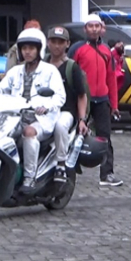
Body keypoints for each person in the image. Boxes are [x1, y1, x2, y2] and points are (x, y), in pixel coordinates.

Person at [0, 28, 66, 192]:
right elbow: (0, 89)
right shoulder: (15, 72)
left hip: (41, 120)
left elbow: (60, 97)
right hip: (15, 118)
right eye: (24, 48)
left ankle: (29, 178)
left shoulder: (50, 71)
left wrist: (46, 106)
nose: (27, 52)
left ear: (39, 50)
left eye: (31, 48)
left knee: (29, 132)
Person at [72, 14, 122, 186]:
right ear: (85, 29)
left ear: (101, 28)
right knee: (74, 134)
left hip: (102, 100)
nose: (94, 29)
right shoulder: (77, 50)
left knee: (105, 137)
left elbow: (111, 79)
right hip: (82, 99)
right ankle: (68, 171)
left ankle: (107, 174)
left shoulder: (107, 51)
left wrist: (114, 104)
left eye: (96, 26)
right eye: (90, 26)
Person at [46, 26, 89, 183]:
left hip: (65, 111)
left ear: (67, 44)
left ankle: (60, 164)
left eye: (61, 42)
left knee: (60, 126)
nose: (57, 46)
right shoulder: (41, 64)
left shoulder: (72, 67)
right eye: (53, 41)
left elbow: (81, 95)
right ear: (48, 43)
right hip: (43, 110)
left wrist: (82, 119)